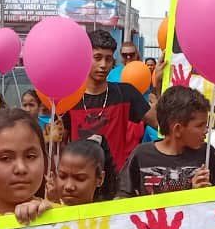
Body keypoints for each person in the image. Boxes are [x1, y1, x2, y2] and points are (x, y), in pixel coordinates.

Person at [63, 29, 157, 171]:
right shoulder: (69, 99)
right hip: (79, 183)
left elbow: (160, 123)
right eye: (98, 57)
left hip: (115, 186)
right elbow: (60, 144)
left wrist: (160, 84)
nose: (103, 65)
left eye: (108, 58)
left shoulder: (126, 93)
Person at [116, 85, 215, 197]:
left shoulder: (207, 154)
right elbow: (122, 196)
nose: (206, 131)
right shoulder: (141, 155)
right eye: (200, 125)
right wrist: (189, 195)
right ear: (177, 129)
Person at [55, 137, 109, 205]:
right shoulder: (42, 209)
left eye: (80, 178)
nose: (68, 186)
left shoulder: (116, 214)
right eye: (62, 176)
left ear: (100, 179)